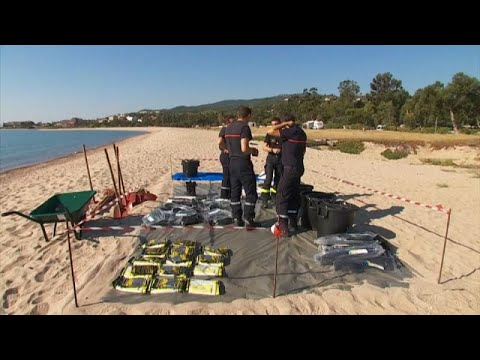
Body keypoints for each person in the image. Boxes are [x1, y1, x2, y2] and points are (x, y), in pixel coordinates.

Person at [267, 113, 307, 236]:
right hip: (299, 167)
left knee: (281, 194)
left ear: (288, 122)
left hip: (290, 168)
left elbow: (270, 131)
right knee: (293, 194)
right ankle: (293, 222)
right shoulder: (302, 133)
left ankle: (284, 226)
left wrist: (284, 125)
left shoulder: (290, 132)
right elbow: (304, 150)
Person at [224, 106, 260, 227]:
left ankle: (236, 218)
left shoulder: (228, 127)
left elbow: (224, 145)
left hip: (231, 163)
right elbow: (244, 148)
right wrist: (253, 150)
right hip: (243, 163)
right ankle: (249, 219)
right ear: (248, 116)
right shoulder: (244, 127)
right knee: (250, 192)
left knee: (235, 191)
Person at [260, 117, 283, 209]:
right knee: (268, 179)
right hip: (271, 159)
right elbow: (264, 147)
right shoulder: (269, 134)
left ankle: (274, 197)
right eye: (273, 124)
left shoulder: (284, 134)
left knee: (278, 179)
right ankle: (264, 199)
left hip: (280, 160)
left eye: (276, 124)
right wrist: (272, 150)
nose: (274, 126)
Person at [218, 116, 235, 199]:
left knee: (232, 176)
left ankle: (230, 194)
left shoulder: (234, 131)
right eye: (230, 123)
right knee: (226, 176)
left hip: (232, 157)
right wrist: (225, 148)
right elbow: (220, 141)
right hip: (225, 157)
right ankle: (224, 196)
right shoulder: (224, 130)